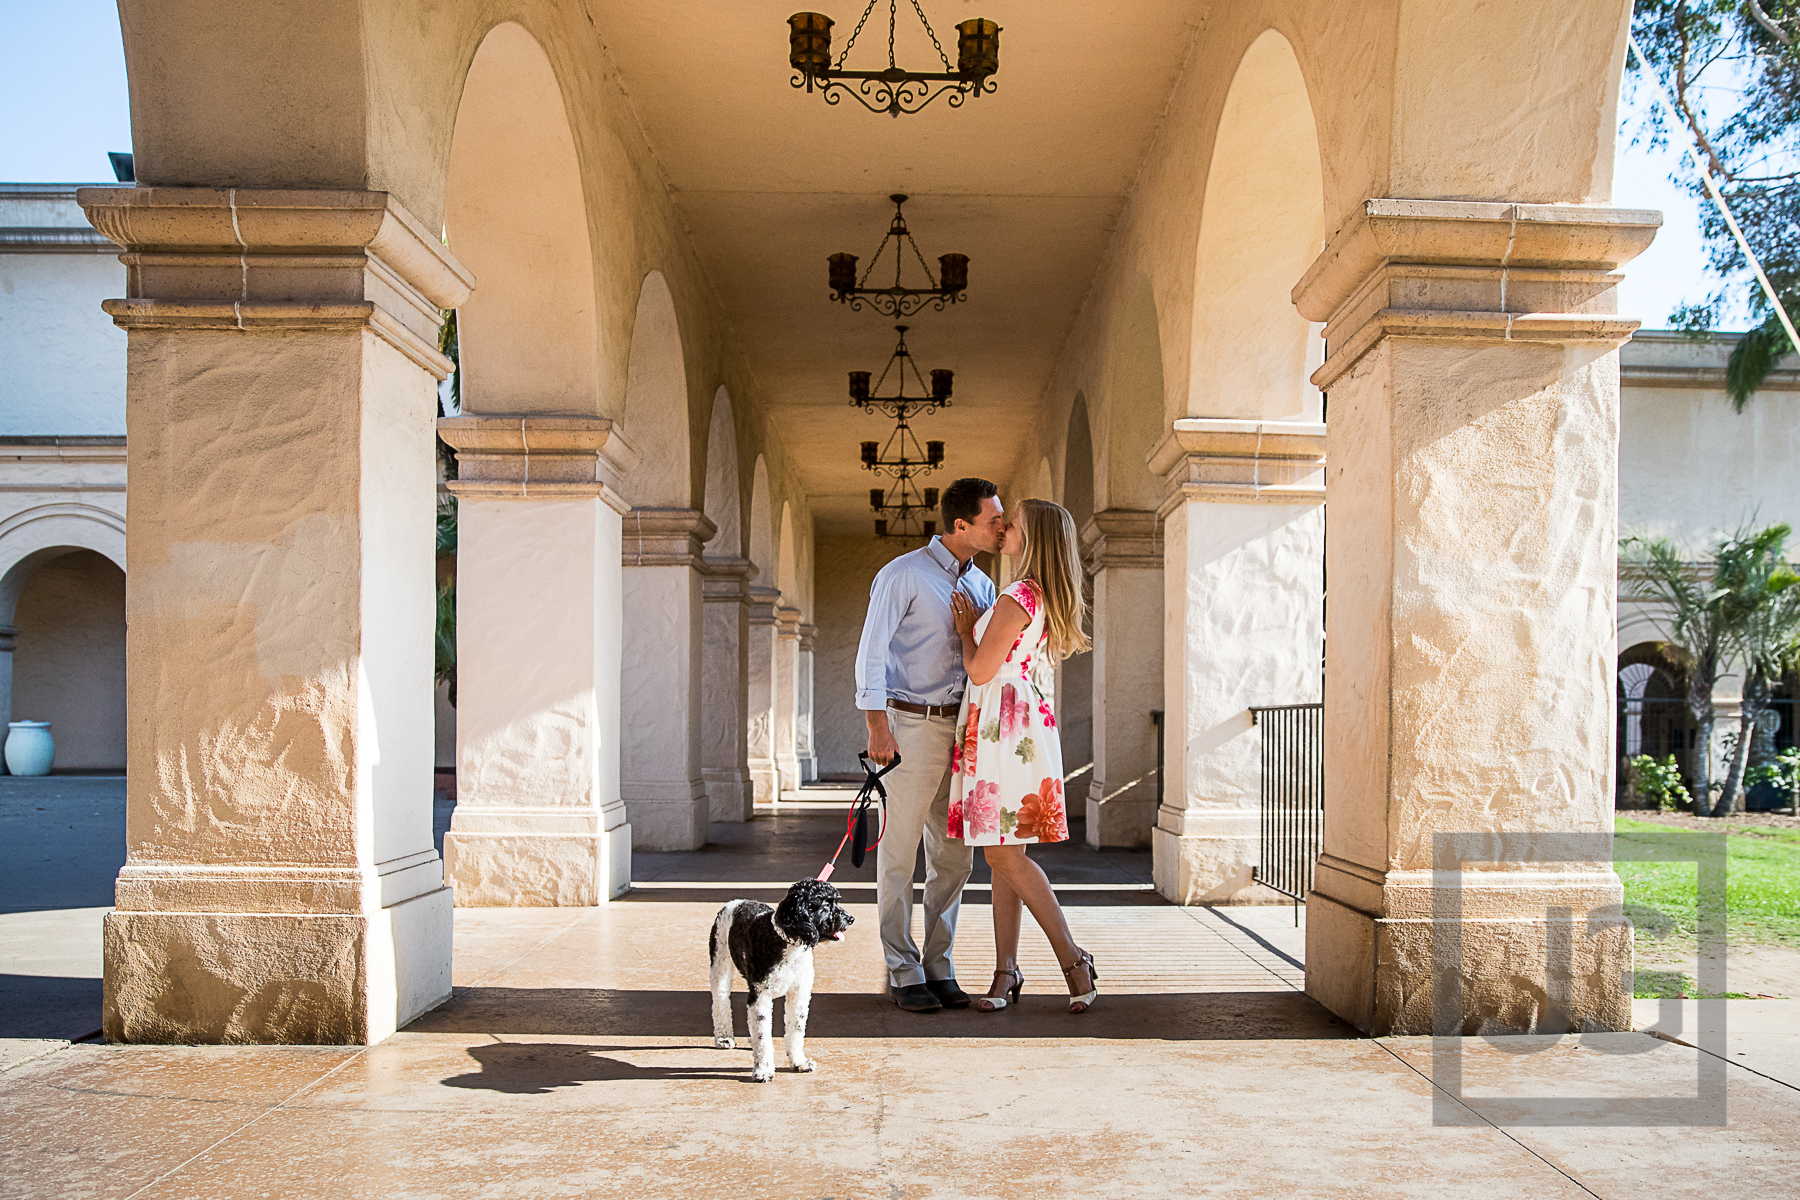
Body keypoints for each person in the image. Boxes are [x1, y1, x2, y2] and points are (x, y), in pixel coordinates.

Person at [854, 477, 1005, 1013]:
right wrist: (877, 726)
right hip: (910, 726)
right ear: (960, 524)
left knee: (954, 856)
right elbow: (872, 652)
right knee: (899, 855)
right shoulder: (903, 575)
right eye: (994, 520)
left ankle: (938, 965)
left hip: (962, 730)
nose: (1002, 528)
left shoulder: (985, 588)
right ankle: (901, 968)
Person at [948, 498, 1098, 1013]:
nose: (1004, 527)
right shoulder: (1036, 593)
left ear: (1031, 537)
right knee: (1003, 851)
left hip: (1001, 724)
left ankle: (1073, 960)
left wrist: (968, 631)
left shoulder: (1017, 595)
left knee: (1002, 853)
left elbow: (980, 671)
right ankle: (1005, 973)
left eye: (1013, 522)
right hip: (1016, 720)